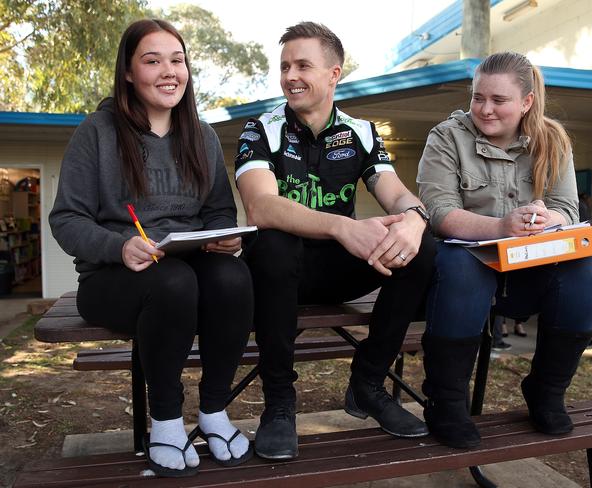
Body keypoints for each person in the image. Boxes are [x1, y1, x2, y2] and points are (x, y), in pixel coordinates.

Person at [49, 19, 254, 477]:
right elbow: (66, 219)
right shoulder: (97, 132)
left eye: (177, 60)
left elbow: (219, 210)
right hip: (112, 280)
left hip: (186, 269)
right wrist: (120, 246)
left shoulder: (200, 134)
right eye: (152, 60)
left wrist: (225, 236)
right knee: (173, 283)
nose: (169, 71)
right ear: (128, 71)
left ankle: (215, 410)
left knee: (234, 276)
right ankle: (164, 421)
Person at [235, 22, 435, 460]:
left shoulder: (360, 132)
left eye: (303, 65)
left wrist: (415, 220)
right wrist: (344, 226)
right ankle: (280, 404)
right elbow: (261, 208)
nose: (290, 76)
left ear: (333, 74)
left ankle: (367, 384)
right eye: (285, 66)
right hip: (276, 274)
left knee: (422, 250)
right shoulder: (260, 129)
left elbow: (395, 193)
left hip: (337, 269)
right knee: (273, 242)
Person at [417, 52, 592, 449]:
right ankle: (446, 401)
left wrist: (545, 217)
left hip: (530, 268)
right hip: (460, 275)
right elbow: (440, 213)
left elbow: (568, 209)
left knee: (588, 268)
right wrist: (501, 227)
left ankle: (547, 390)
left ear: (526, 102)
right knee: (460, 263)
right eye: (477, 97)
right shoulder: (447, 137)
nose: (484, 109)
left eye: (498, 100)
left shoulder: (552, 140)